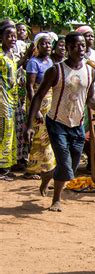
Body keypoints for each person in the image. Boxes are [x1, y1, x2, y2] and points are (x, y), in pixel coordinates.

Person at [25, 32, 95, 212]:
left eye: (82, 45)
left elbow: (90, 99)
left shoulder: (90, 71)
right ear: (67, 48)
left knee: (70, 168)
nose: (80, 49)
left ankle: (48, 175)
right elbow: (38, 96)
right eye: (75, 46)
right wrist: (29, 125)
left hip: (77, 124)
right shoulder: (56, 70)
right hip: (56, 122)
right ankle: (56, 200)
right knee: (65, 164)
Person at [24, 32, 56, 180]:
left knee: (47, 136)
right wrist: (35, 110)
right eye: (44, 43)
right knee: (37, 136)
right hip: (38, 102)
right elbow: (30, 87)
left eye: (49, 43)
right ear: (38, 46)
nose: (47, 46)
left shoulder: (50, 62)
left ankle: (46, 167)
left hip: (49, 102)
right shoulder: (33, 62)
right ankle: (33, 169)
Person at [0, 22, 19, 181]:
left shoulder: (11, 55)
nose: (13, 38)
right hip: (2, 98)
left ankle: (7, 165)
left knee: (10, 131)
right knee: (3, 130)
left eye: (14, 36)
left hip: (12, 97)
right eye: (9, 36)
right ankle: (1, 168)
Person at [75, 25, 95, 91]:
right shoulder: (75, 54)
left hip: (93, 93)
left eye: (92, 36)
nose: (90, 38)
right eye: (88, 36)